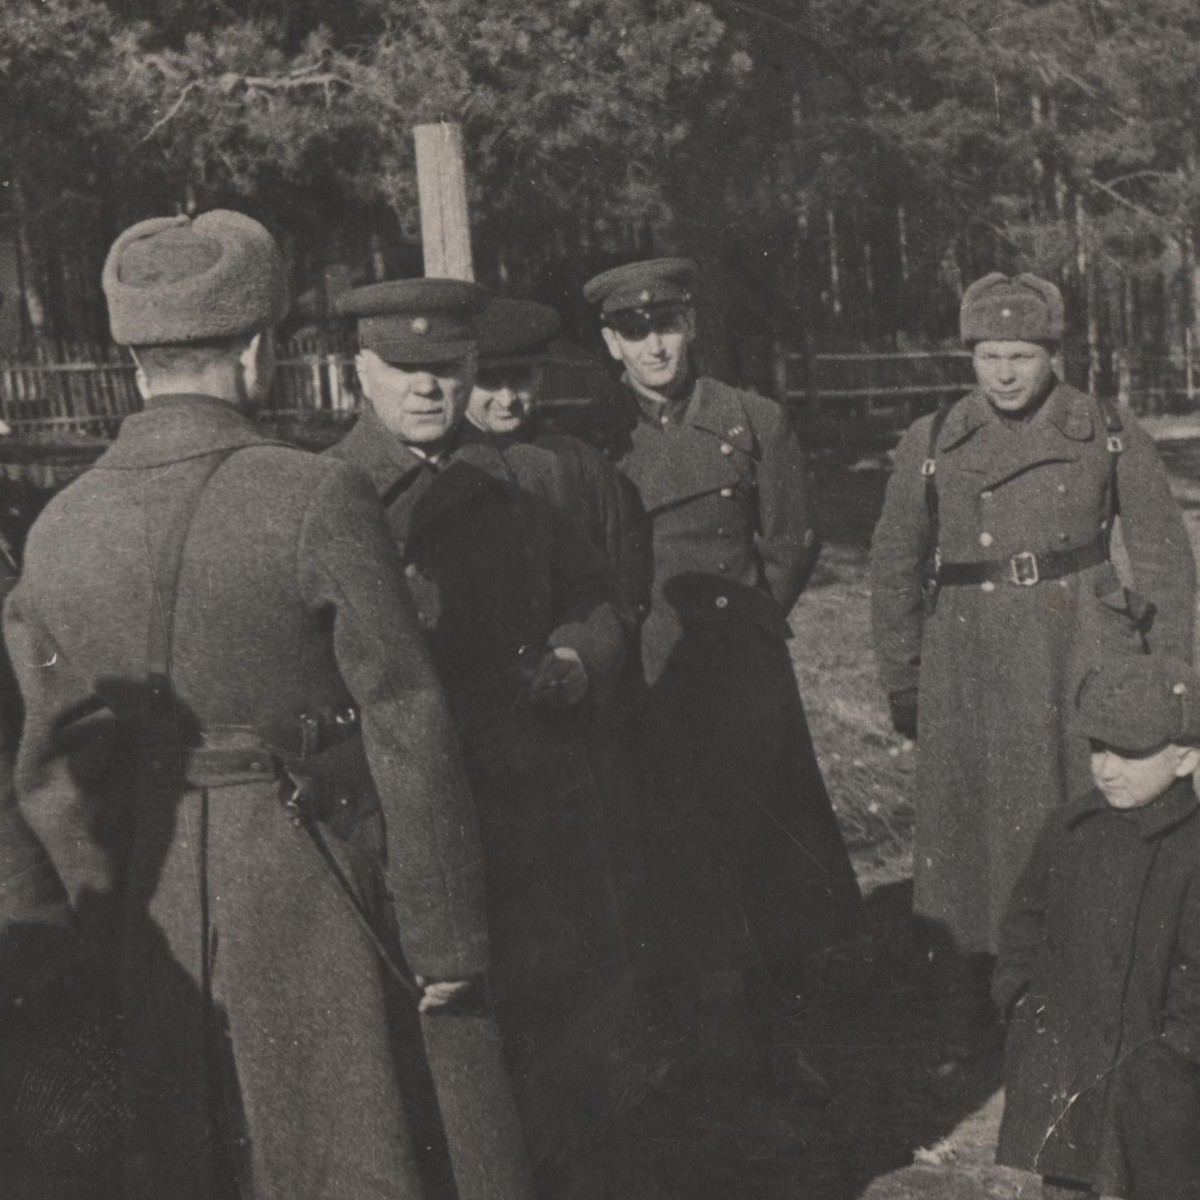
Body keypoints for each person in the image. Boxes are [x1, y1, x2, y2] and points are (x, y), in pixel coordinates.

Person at [2, 211, 492, 1200]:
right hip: (314, 894)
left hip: (144, 906)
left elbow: (47, 770)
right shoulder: (315, 494)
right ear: (258, 346)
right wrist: (448, 939)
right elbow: (406, 716)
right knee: (344, 1156)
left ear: (131, 353)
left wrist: (107, 930)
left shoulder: (57, 530)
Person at [328, 278, 631, 1198]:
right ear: (359, 376)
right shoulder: (324, 498)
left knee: (554, 1051)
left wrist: (578, 660)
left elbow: (597, 603)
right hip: (398, 821)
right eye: (404, 369)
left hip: (529, 800)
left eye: (447, 368)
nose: (428, 389)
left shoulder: (525, 484)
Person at [869, 273, 1195, 1043]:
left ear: (1055, 353)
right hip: (967, 660)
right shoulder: (933, 438)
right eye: (988, 355)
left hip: (1079, 648)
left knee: (1084, 813)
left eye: (1022, 354)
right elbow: (892, 563)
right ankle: (970, 1001)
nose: (1006, 373)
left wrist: (1170, 692)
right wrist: (906, 677)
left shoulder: (1108, 430)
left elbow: (1165, 562)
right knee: (965, 834)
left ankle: (1091, 992)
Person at [580, 257, 864, 1093]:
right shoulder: (597, 440)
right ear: (611, 344)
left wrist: (748, 627)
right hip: (647, 676)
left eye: (666, 325)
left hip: (742, 672)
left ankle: (787, 1034)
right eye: (634, 332)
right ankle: (680, 1039)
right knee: (660, 849)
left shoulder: (753, 419)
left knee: (768, 848)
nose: (655, 345)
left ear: (691, 326)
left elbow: (793, 540)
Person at [994, 652, 1200, 1200]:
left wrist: (1177, 1061)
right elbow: (1024, 922)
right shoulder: (1071, 827)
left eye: (1129, 752)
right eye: (1097, 748)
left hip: (1156, 1101)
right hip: (1068, 1085)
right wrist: (1018, 999)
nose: (1106, 767)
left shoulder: (1191, 853)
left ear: (1184, 759)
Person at [464, 296, 650, 612]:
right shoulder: (443, 466)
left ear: (540, 375)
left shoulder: (580, 463)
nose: (507, 398)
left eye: (521, 378)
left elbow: (621, 584)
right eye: (489, 380)